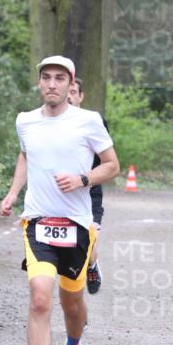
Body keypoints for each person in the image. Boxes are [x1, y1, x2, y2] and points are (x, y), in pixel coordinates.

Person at [0, 55, 119, 345]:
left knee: (72, 304)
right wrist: (12, 193)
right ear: (39, 83)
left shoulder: (89, 121)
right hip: (37, 221)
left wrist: (82, 179)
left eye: (59, 79)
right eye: (46, 78)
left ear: (71, 84)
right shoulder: (25, 121)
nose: (52, 84)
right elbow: (25, 156)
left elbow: (112, 165)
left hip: (77, 226)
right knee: (39, 297)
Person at [67, 78, 106, 294]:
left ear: (81, 97)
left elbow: (106, 161)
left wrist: (84, 177)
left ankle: (93, 264)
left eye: (74, 92)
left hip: (90, 192)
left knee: (88, 249)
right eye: (68, 92)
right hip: (63, 195)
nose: (70, 96)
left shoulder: (93, 122)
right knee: (70, 251)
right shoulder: (51, 122)